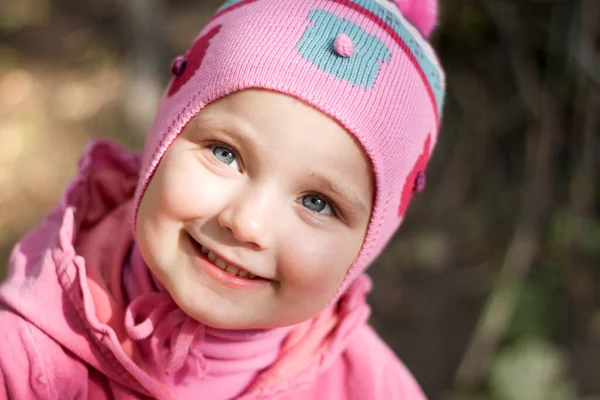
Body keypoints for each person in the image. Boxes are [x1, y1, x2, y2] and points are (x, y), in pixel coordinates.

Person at [0, 0, 445, 398]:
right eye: (225, 153)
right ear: (163, 140)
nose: (247, 223)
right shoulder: (24, 360)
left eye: (316, 202)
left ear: (368, 245)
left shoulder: (372, 388)